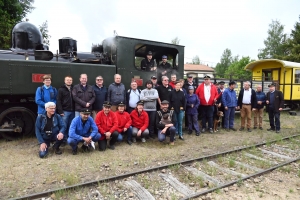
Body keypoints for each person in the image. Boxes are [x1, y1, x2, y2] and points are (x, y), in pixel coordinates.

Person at [56, 76, 75, 145]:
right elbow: (58, 101)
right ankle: (63, 140)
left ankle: (69, 139)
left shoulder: (74, 88)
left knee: (71, 126)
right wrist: (60, 111)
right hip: (65, 111)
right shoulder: (61, 90)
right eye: (67, 80)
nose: (69, 81)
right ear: (64, 81)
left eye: (70, 80)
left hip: (73, 111)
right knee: (64, 126)